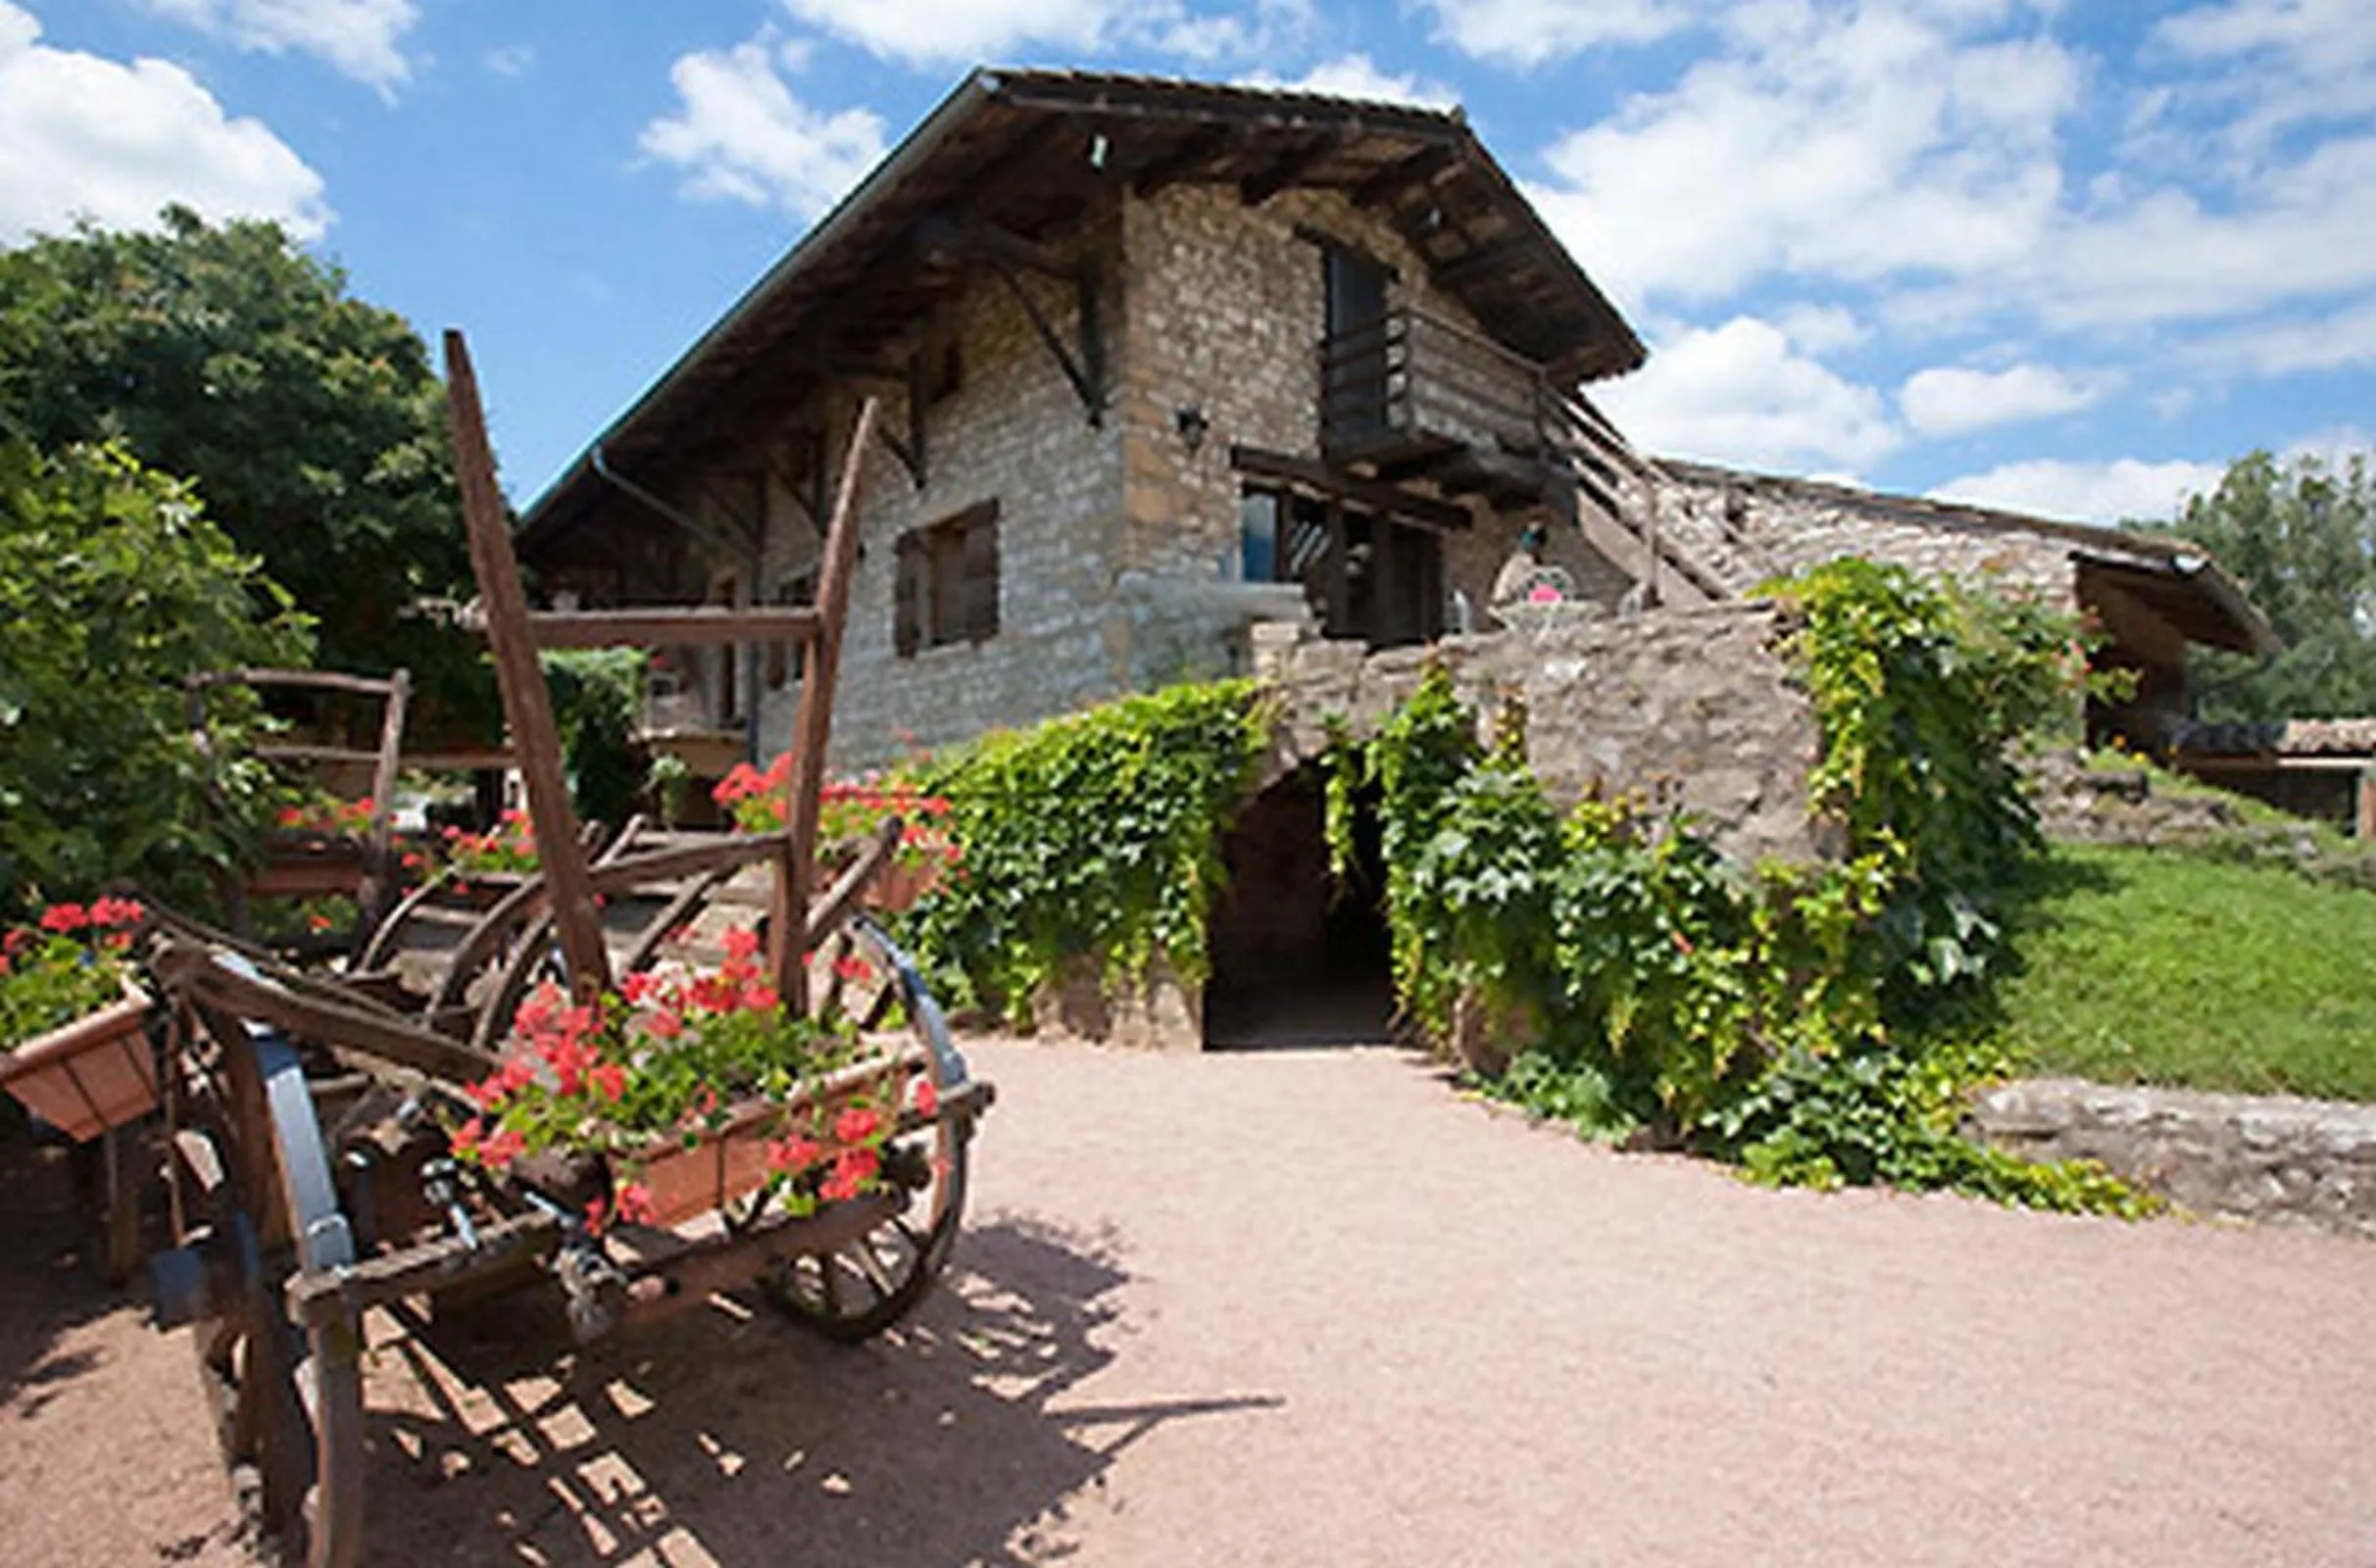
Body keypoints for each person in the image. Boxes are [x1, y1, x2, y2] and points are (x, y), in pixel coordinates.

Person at [1492, 523, 1558, 607]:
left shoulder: (1536, 563)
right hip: (1509, 605)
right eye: (1528, 539)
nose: (1530, 543)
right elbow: (1505, 590)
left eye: (1535, 540)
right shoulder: (1517, 563)